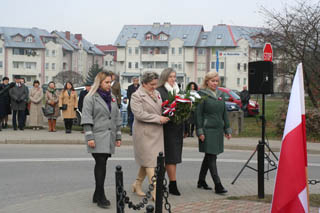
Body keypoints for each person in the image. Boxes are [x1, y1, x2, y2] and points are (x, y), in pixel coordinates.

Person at [81, 71, 122, 209]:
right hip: (97, 136)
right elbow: (87, 118)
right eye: (106, 82)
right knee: (101, 163)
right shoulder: (90, 97)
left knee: (102, 163)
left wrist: (118, 136)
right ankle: (101, 195)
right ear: (99, 82)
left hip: (109, 136)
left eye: (110, 82)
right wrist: (89, 137)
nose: (109, 85)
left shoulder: (112, 97)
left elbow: (116, 117)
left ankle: (96, 194)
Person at [130, 71, 169, 200]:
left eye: (155, 84)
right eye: (152, 84)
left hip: (157, 132)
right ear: (144, 83)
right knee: (151, 163)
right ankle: (155, 191)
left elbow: (161, 108)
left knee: (148, 161)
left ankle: (137, 183)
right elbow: (139, 114)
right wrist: (158, 118)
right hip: (144, 133)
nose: (154, 86)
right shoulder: (136, 96)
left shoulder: (157, 93)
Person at [195, 71, 232, 194]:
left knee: (210, 155)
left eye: (217, 81)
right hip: (207, 130)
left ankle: (201, 181)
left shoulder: (221, 94)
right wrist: (200, 131)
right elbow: (198, 115)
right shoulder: (201, 95)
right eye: (212, 81)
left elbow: (224, 113)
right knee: (211, 157)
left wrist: (227, 129)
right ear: (207, 81)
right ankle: (218, 185)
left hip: (217, 130)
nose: (215, 83)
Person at [157, 68, 184, 196]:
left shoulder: (178, 90)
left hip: (177, 127)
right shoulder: (160, 91)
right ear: (165, 78)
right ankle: (171, 184)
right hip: (165, 128)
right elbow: (158, 108)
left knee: (174, 156)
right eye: (170, 77)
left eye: (174, 76)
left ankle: (169, 183)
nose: (173, 79)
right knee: (168, 157)